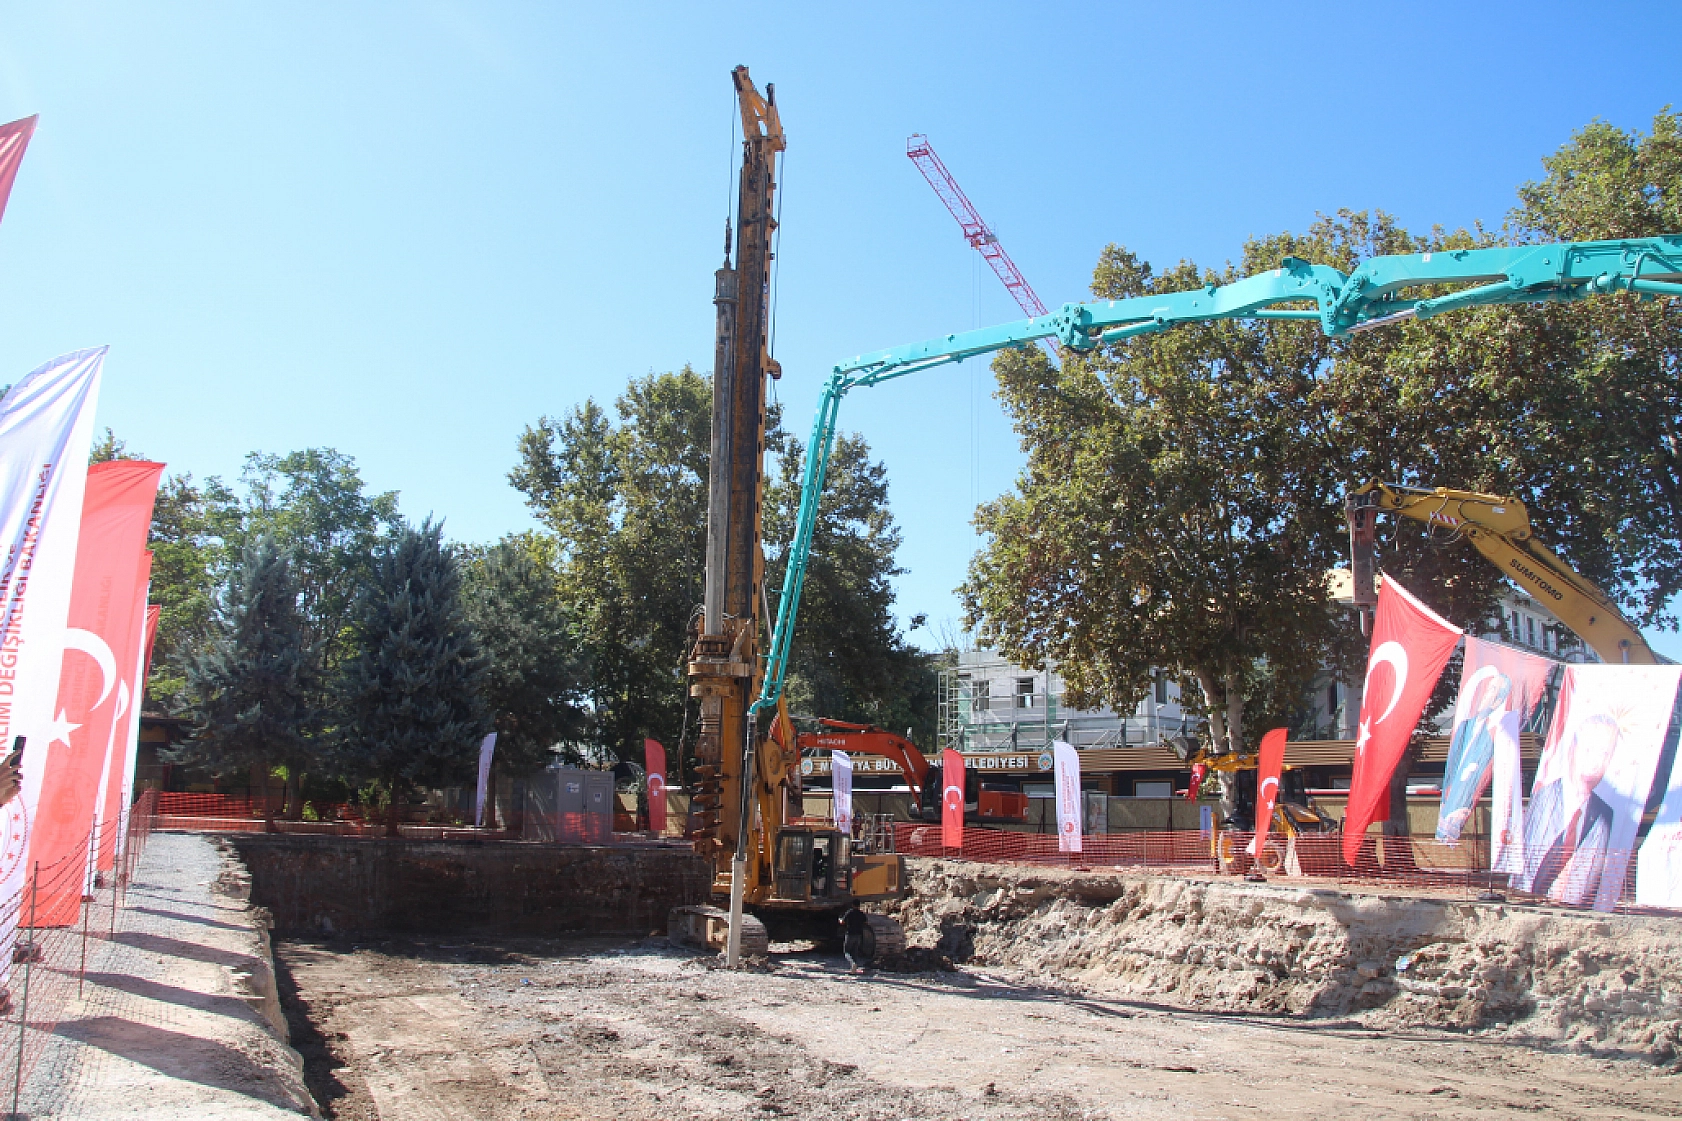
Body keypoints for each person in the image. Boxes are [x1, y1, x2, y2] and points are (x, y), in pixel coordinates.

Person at [1520, 714, 1619, 904]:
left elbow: (1592, 876)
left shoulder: (1605, 814)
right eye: (1588, 749)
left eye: (1604, 754)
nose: (1595, 762)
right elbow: (1528, 867)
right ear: (1573, 749)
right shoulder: (1545, 798)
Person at [839, 904, 870, 973]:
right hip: (858, 935)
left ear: (852, 905)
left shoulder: (850, 912)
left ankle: (852, 963)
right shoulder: (861, 914)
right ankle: (854, 968)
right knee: (855, 951)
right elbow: (866, 922)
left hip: (850, 934)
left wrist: (839, 919)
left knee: (846, 951)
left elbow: (842, 922)